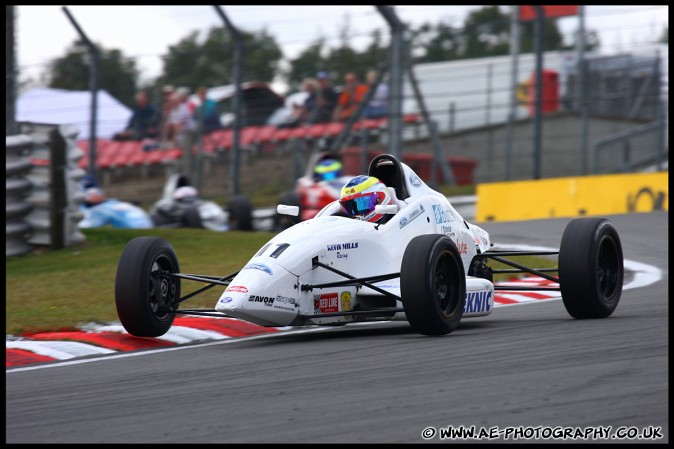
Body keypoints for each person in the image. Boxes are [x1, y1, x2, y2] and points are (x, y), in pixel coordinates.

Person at [78, 187, 154, 229]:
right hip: (146, 227)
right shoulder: (114, 204)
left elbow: (88, 227)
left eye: (95, 195)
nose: (94, 197)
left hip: (136, 229)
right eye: (91, 196)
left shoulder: (103, 208)